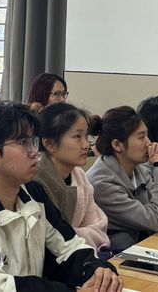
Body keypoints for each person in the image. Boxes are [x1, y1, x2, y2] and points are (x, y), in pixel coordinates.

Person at [0, 101, 122, 292]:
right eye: (23, 143)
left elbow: (69, 247)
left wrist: (96, 270)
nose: (34, 152)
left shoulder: (32, 192)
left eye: (33, 141)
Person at [86, 106, 158, 251]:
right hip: (117, 257)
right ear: (117, 145)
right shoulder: (103, 185)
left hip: (144, 248)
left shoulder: (138, 170)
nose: (149, 142)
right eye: (141, 137)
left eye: (147, 135)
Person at [33, 103, 109, 250]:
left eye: (86, 135)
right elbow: (46, 239)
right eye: (77, 137)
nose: (86, 145)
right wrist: (76, 235)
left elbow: (99, 227)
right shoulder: (34, 180)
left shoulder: (79, 175)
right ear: (49, 144)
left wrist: (70, 235)